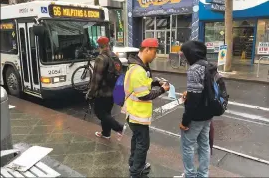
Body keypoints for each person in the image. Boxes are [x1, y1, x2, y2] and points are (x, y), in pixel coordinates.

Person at [123, 38, 170, 178]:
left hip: (133, 113)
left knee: (136, 141)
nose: (155, 55)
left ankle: (134, 164)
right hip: (137, 115)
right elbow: (144, 95)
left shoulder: (140, 66)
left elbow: (145, 83)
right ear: (147, 50)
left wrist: (155, 82)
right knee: (143, 145)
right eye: (155, 52)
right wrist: (162, 89)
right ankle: (136, 173)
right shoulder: (138, 70)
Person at [179, 40, 213, 178]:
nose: (184, 57)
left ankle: (190, 175)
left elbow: (193, 102)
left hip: (196, 116)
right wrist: (191, 92)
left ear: (191, 54)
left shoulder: (194, 69)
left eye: (185, 54)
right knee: (204, 145)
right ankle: (203, 174)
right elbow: (206, 90)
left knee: (187, 146)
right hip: (209, 114)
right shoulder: (209, 65)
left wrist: (185, 121)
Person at [86, 36, 124, 139]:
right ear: (108, 45)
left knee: (99, 113)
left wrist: (91, 93)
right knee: (107, 113)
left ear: (99, 46)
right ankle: (106, 133)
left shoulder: (101, 58)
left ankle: (119, 127)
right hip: (113, 91)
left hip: (103, 92)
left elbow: (96, 79)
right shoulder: (114, 56)